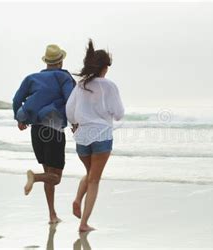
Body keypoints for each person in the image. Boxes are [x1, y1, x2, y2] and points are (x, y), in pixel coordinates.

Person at [12, 44, 76, 224]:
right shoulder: (63, 77)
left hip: (36, 130)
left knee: (50, 173)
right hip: (53, 130)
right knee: (55, 178)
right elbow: (71, 101)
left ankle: (52, 215)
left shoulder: (31, 78)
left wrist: (20, 119)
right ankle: (35, 177)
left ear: (46, 62)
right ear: (61, 61)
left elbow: (17, 100)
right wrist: (75, 122)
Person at [66, 39, 124, 232]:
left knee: (90, 174)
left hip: (82, 137)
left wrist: (75, 124)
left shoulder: (81, 85)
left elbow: (69, 110)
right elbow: (119, 113)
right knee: (94, 180)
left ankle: (76, 200)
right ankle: (83, 223)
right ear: (105, 67)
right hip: (101, 136)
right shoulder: (109, 86)